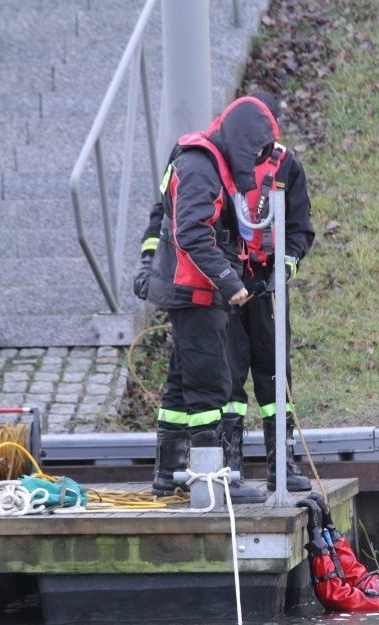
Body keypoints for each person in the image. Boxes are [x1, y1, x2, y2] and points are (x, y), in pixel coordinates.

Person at [133, 95, 281, 502]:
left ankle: (167, 478)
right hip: (196, 291)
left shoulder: (203, 159)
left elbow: (168, 221)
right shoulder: (202, 166)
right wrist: (230, 282)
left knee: (181, 388)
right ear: (242, 140)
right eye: (256, 152)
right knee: (209, 387)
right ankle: (214, 485)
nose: (256, 162)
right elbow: (193, 233)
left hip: (192, 289)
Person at [223, 91, 315, 495]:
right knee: (227, 374)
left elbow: (299, 230)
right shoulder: (220, 162)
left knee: (275, 375)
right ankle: (229, 466)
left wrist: (283, 269)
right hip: (227, 285)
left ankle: (283, 462)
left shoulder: (286, 165)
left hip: (267, 286)